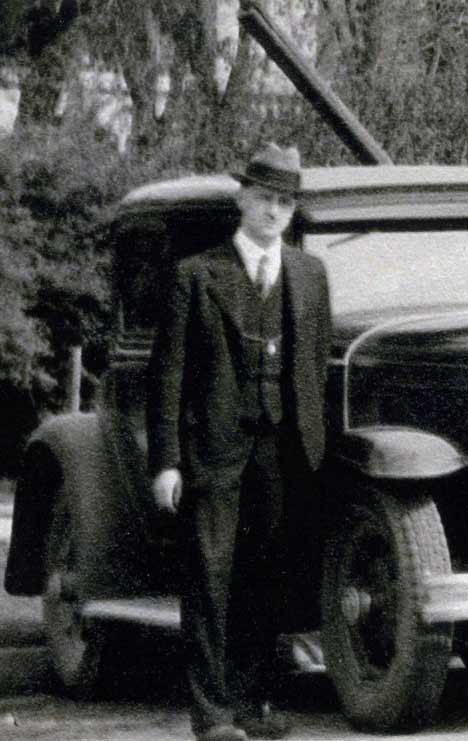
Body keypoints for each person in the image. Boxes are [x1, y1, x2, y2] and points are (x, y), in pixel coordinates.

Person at [148, 144, 332, 741]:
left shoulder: (309, 274)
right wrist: (168, 462)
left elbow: (315, 368)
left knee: (265, 574)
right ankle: (213, 715)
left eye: (285, 201)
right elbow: (168, 374)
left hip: (283, 450)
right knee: (209, 576)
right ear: (242, 199)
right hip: (213, 451)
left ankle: (253, 704)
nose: (274, 211)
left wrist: (313, 445)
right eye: (264, 198)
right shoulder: (196, 276)